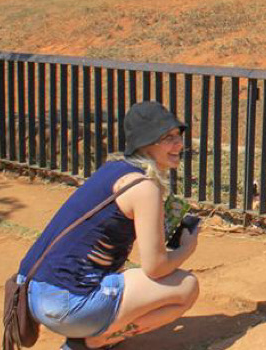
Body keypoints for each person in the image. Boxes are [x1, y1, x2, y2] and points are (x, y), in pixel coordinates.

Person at [16, 102, 200, 350]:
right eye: (168, 138)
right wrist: (188, 247)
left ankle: (92, 331)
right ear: (145, 143)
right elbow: (155, 267)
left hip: (31, 292)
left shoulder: (114, 169)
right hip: (66, 305)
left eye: (178, 136)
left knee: (122, 274)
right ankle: (96, 340)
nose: (179, 145)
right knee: (187, 287)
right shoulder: (144, 188)